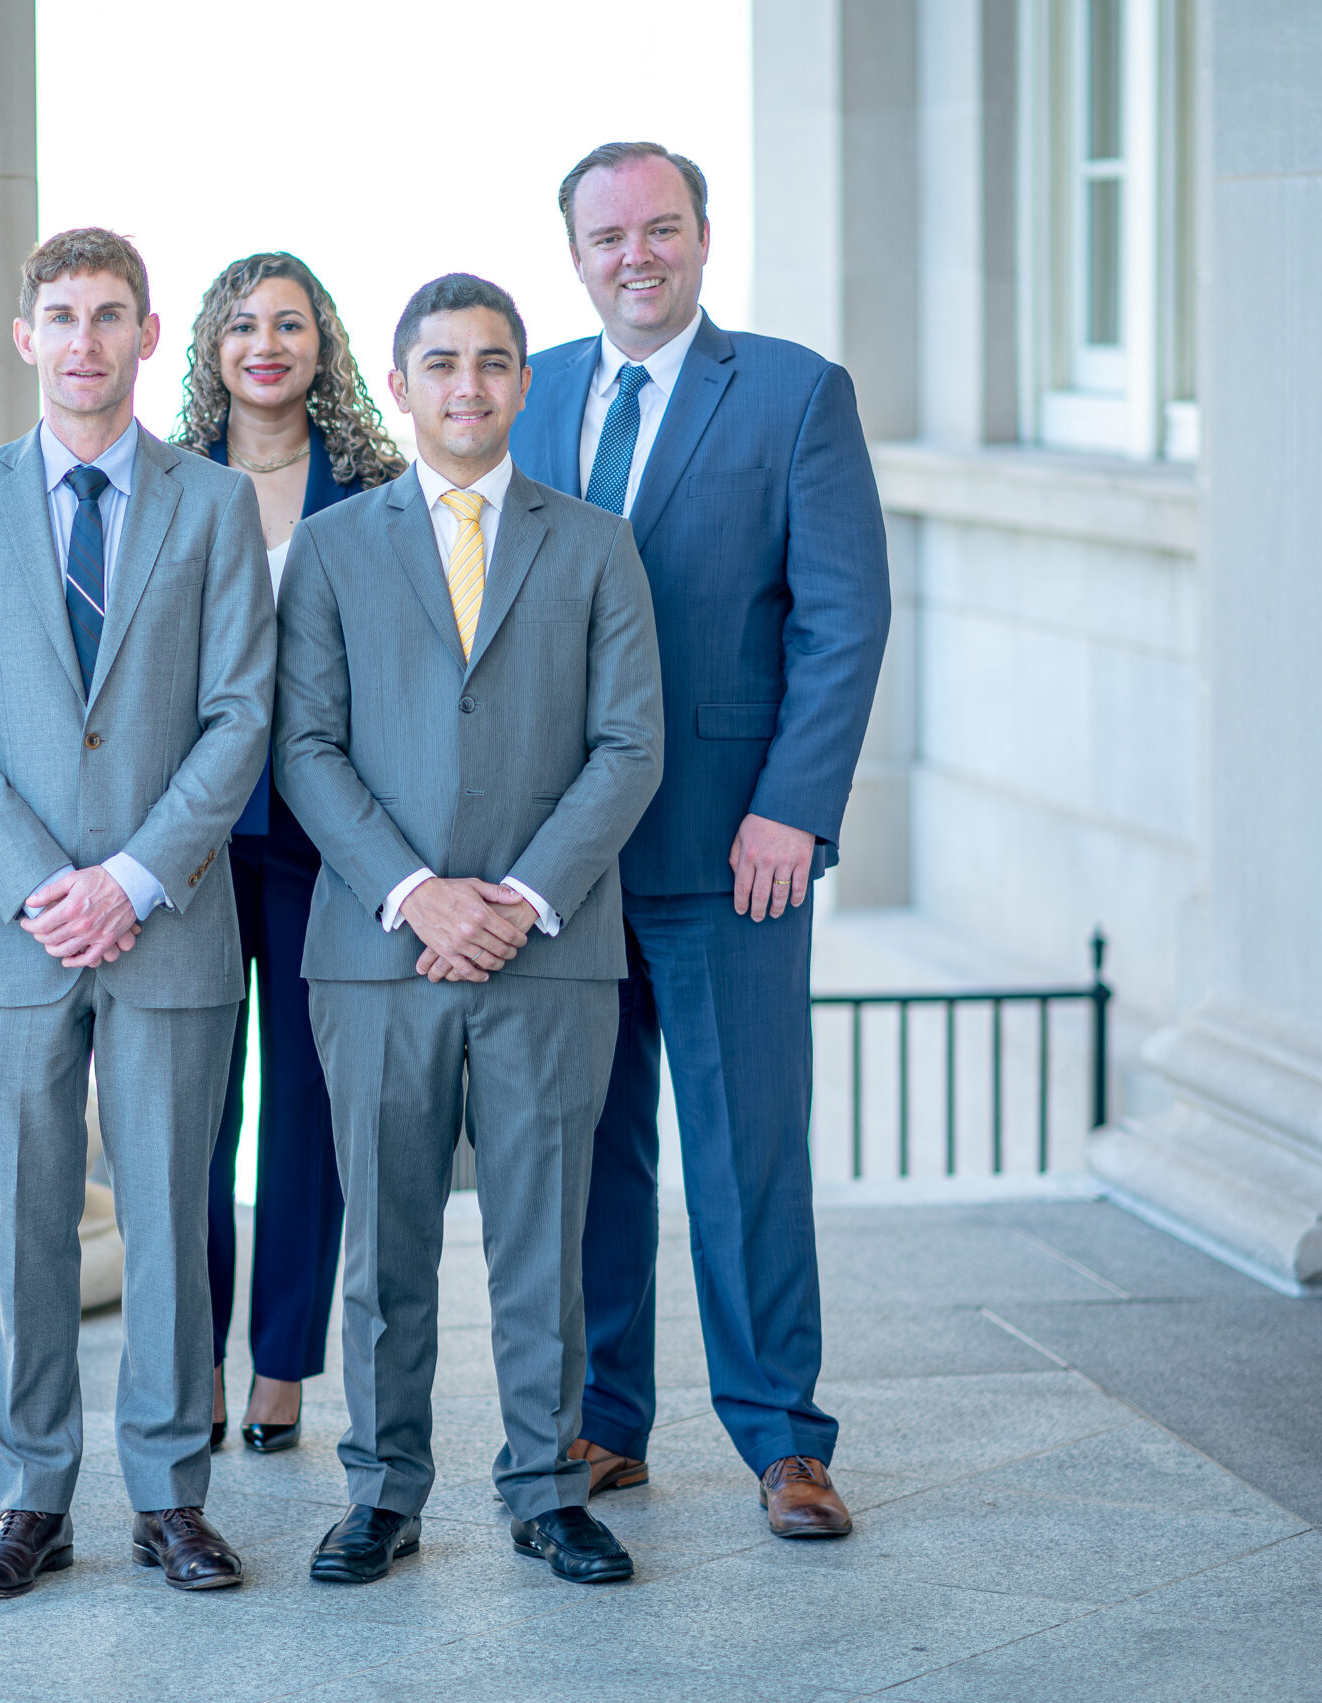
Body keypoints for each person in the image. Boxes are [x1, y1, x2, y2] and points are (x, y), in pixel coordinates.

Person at [507, 142, 891, 1538]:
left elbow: (843, 617)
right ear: (576, 254)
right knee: (591, 1153)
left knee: (747, 1152)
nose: (635, 254)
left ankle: (785, 1437)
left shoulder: (794, 392)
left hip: (736, 853)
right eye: (608, 235)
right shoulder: (529, 389)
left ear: (705, 237)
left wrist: (794, 803)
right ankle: (612, 1418)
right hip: (566, 864)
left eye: (660, 228)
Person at [0, 228, 275, 1598]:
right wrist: (36, 876)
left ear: (147, 333)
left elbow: (242, 710)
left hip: (170, 917)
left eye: (109, 315)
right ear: (23, 334)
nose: (84, 340)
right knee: (32, 1210)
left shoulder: (213, 504)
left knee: (173, 1214)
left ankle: (172, 1495)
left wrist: (132, 876)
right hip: (14, 925)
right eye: (60, 314)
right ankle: (31, 1496)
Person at [276, 274, 664, 1587]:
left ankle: (550, 1487)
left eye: (493, 362)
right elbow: (306, 744)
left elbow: (629, 744)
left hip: (551, 946)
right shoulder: (332, 547)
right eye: (440, 363)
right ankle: (383, 1490)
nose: (468, 385)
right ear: (399, 383)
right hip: (376, 949)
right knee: (382, 1236)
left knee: (539, 1232)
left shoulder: (596, 543)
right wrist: (417, 891)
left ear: (524, 383)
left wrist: (517, 898)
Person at [171, 252, 406, 1453]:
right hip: (197, 844)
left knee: (310, 1110)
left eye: (292, 324)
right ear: (211, 345)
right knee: (199, 1109)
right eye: (243, 323)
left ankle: (281, 1366)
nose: (266, 342)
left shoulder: (374, 487)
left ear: (325, 347)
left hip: (330, 842)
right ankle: (197, 1359)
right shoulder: (167, 484)